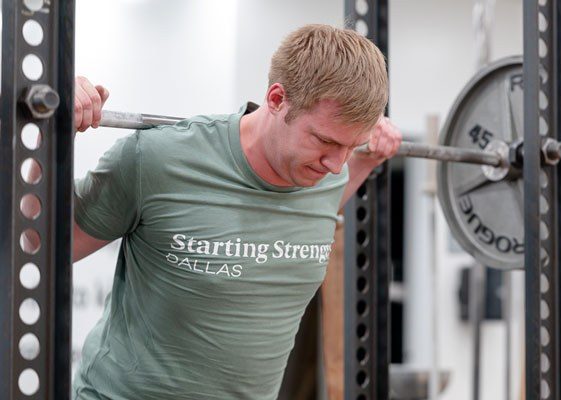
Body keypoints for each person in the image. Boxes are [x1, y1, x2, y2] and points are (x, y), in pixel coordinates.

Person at [65, 24, 400, 399]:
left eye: (350, 146)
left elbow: (310, 213)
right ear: (277, 99)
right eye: (325, 141)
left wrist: (367, 160)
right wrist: (48, 138)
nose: (336, 165)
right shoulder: (157, 160)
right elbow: (35, 248)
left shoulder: (324, 179)